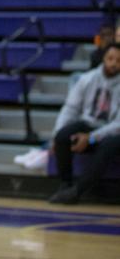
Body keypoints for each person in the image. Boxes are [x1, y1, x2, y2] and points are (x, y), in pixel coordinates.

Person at [49, 43, 120, 204]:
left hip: (111, 132)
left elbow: (118, 124)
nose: (114, 63)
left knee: (107, 145)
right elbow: (70, 108)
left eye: (118, 60)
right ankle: (65, 183)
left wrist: (91, 137)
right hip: (88, 124)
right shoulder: (86, 79)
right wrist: (56, 133)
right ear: (104, 58)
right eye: (110, 58)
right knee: (62, 135)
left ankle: (77, 191)